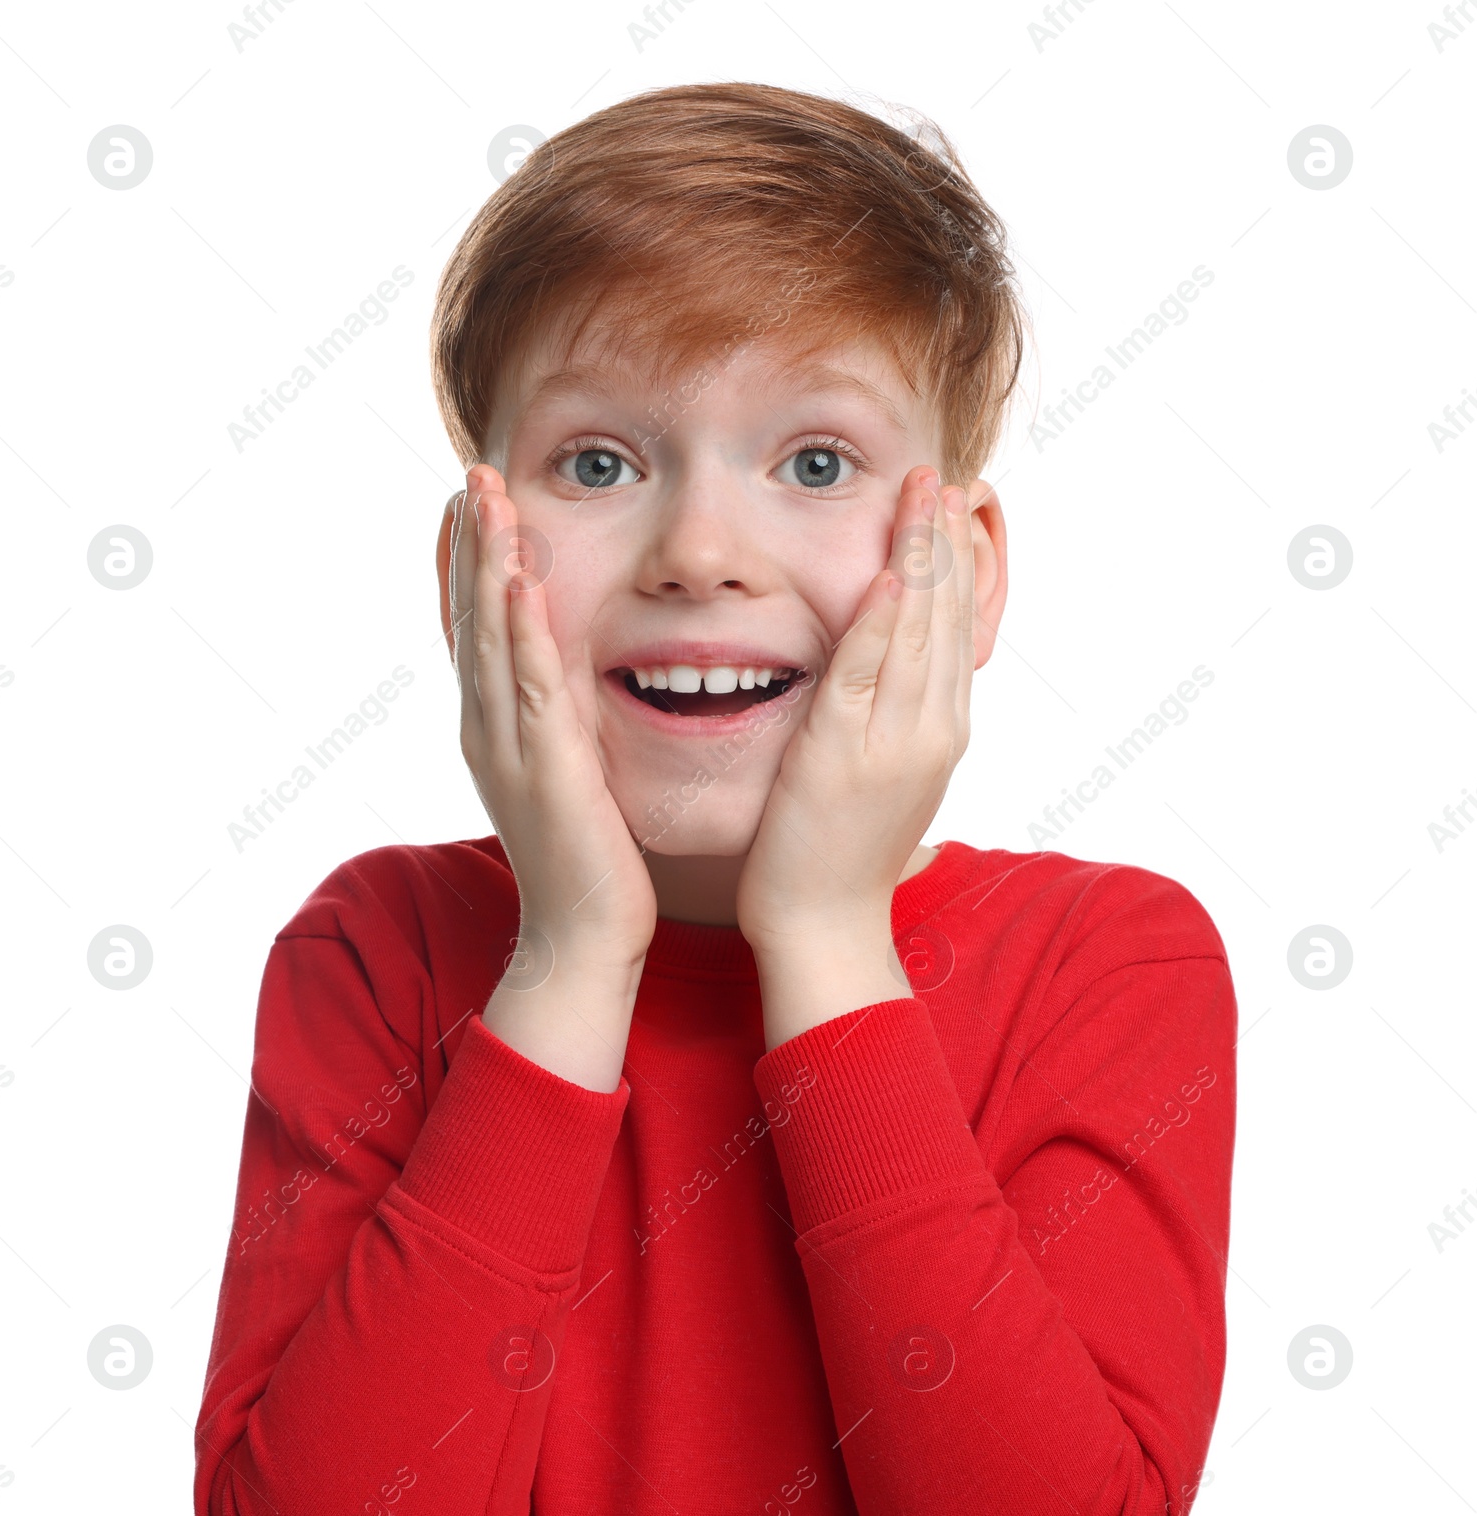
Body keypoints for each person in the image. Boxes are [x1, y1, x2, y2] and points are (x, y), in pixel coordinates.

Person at [195, 81, 1236, 1515]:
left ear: (970, 570)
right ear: (465, 570)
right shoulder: (376, 951)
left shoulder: (1108, 964)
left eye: (815, 462)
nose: (698, 550)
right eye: (599, 462)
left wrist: (824, 935)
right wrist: (566, 958)